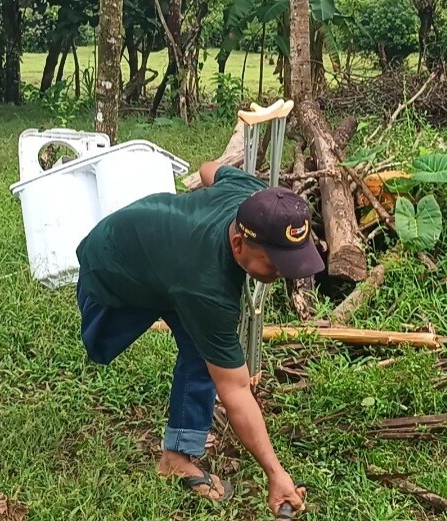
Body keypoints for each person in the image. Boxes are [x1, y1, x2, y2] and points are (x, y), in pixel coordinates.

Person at [74, 161, 323, 515]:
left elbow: (210, 170)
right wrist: (275, 472)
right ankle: (178, 450)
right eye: (275, 264)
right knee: (99, 345)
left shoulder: (250, 199)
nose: (285, 273)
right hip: (113, 264)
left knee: (201, 348)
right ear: (238, 243)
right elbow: (235, 389)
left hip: (167, 260)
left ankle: (176, 457)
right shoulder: (208, 290)